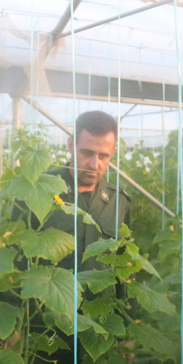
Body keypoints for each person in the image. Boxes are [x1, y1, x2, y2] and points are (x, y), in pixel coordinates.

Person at [44, 110, 131, 272]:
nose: (94, 164)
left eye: (103, 156)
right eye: (87, 153)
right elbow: (17, 259)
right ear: (71, 145)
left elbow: (123, 263)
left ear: (113, 152)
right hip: (52, 296)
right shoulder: (41, 190)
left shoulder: (117, 200)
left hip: (102, 298)